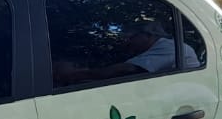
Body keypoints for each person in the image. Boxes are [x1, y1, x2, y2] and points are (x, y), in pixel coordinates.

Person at [53, 19, 199, 83]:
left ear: (147, 35)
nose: (127, 42)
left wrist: (76, 75)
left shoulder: (167, 47)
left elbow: (125, 69)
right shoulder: (158, 48)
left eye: (131, 37)